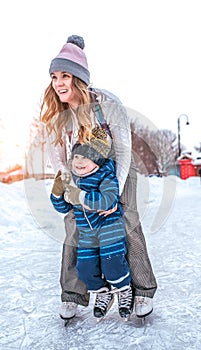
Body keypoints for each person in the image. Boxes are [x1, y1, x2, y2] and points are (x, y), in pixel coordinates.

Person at [40, 34, 157, 320]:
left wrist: (112, 194)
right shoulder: (59, 114)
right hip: (78, 175)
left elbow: (123, 150)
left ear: (79, 78)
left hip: (117, 169)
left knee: (126, 220)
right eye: (55, 76)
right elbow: (58, 158)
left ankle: (141, 290)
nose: (59, 83)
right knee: (74, 226)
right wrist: (70, 191)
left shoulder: (107, 103)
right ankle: (73, 295)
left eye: (65, 75)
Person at [50, 127, 133, 319]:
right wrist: (57, 193)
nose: (79, 162)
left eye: (85, 158)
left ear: (97, 161)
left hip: (109, 229)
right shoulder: (72, 179)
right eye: (76, 157)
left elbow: (108, 201)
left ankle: (123, 289)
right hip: (87, 234)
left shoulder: (106, 176)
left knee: (112, 264)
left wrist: (80, 196)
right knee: (84, 268)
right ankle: (103, 293)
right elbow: (64, 207)